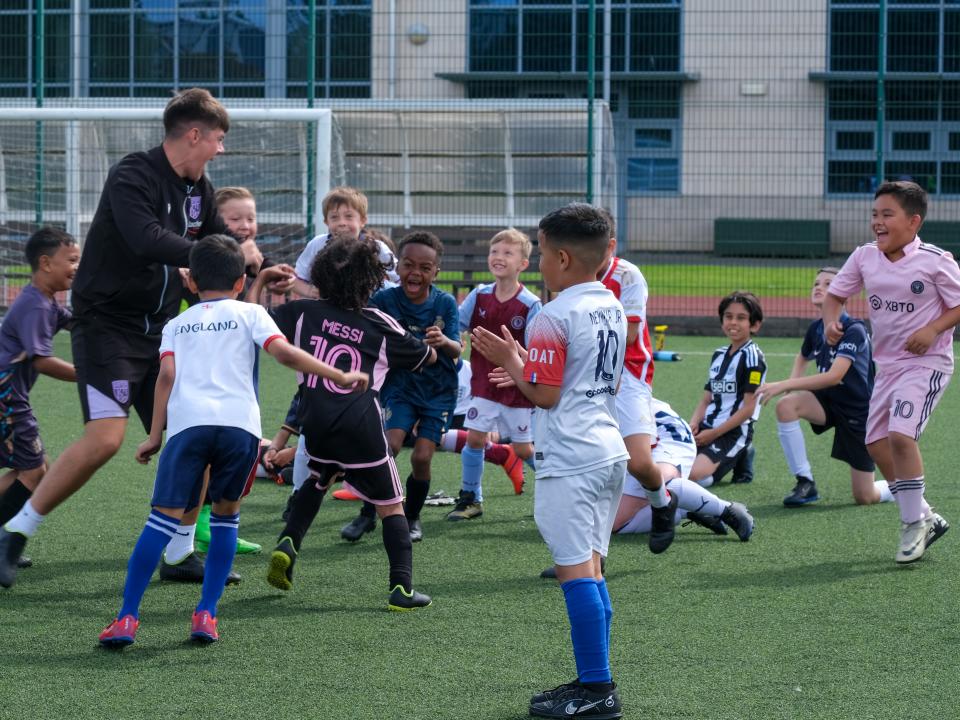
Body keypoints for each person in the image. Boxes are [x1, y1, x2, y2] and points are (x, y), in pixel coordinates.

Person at [0, 88, 267, 587]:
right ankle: (15, 531)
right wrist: (217, 253)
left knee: (195, 431)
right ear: (194, 134)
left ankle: (179, 554)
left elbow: (217, 251)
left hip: (162, 332)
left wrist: (253, 263)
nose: (220, 150)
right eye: (218, 139)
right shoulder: (133, 174)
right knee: (106, 438)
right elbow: (147, 239)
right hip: (108, 329)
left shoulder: (201, 191)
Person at [97, 235, 366, 647]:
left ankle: (127, 619)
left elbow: (165, 378)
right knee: (226, 518)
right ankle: (206, 614)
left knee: (160, 521)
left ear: (190, 282)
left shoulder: (176, 325)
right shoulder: (251, 314)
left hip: (188, 429)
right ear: (241, 281)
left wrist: (154, 435)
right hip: (239, 430)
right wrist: (340, 375)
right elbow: (285, 354)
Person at [472, 203, 627, 719]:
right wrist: (522, 365)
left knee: (576, 571)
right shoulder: (609, 304)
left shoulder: (553, 315)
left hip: (571, 456)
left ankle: (598, 691)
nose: (537, 261)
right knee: (593, 570)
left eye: (538, 251)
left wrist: (511, 360)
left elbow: (545, 395)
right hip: (608, 450)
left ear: (561, 257)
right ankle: (592, 681)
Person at [261, 235, 434, 610]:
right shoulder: (378, 323)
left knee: (317, 478)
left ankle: (289, 542)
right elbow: (423, 357)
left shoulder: (302, 312)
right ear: (371, 281)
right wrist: (435, 348)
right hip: (361, 426)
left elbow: (260, 322)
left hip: (316, 423)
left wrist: (261, 284)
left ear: (321, 276)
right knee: (392, 506)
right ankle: (401, 588)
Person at [822, 180, 960, 564]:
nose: (877, 223)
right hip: (888, 368)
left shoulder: (936, 261)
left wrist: (933, 329)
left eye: (887, 215)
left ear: (913, 222)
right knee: (875, 444)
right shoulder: (865, 256)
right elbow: (836, 294)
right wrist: (832, 319)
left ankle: (912, 524)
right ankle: (926, 516)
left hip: (927, 364)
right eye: (874, 215)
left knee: (901, 436)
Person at [340, 231, 460, 544]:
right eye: (408, 265)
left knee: (421, 458)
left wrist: (443, 341)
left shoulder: (445, 303)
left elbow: (458, 349)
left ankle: (413, 516)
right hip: (400, 384)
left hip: (438, 390)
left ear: (436, 272)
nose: (415, 273)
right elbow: (362, 330)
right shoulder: (384, 300)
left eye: (424, 267)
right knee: (388, 446)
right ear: (398, 268)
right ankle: (367, 514)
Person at [758, 267, 892, 507]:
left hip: (857, 411)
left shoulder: (854, 330)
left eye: (829, 284)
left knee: (864, 496)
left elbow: (834, 376)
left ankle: (901, 484)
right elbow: (803, 356)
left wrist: (784, 384)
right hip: (827, 401)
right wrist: (792, 387)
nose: (819, 287)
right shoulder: (816, 328)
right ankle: (805, 482)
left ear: (843, 293)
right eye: (816, 283)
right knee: (786, 406)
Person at [596, 217, 677, 554]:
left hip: (628, 374)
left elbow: (628, 336)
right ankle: (586, 559)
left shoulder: (627, 275)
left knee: (638, 463)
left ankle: (663, 503)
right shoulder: (568, 274)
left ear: (610, 246)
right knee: (594, 467)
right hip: (589, 373)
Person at [0, 229, 79, 573]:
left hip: (8, 395)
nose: (77, 267)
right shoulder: (34, 304)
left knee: (31, 468)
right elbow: (41, 360)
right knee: (33, 470)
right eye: (72, 260)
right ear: (46, 263)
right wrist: (87, 373)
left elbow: (78, 322)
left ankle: (6, 540)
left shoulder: (46, 299)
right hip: (7, 396)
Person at [450, 228, 541, 518]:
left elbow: (536, 352)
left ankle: (563, 485)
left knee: (524, 450)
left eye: (507, 253)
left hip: (517, 390)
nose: (499, 257)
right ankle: (471, 499)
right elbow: (458, 324)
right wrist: (456, 338)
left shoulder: (530, 304)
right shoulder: (479, 295)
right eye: (494, 251)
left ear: (522, 264)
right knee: (475, 439)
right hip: (485, 385)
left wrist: (519, 368)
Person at [611, 398, 754, 541]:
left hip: (667, 436)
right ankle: (687, 509)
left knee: (656, 479)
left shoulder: (619, 395)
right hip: (641, 438)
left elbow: (642, 445)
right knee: (614, 523)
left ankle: (727, 510)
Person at [689, 292, 767, 488]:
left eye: (741, 318)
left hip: (732, 433)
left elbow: (749, 409)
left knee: (692, 476)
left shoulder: (752, 358)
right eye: (728, 316)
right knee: (671, 464)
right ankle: (741, 455)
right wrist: (693, 425)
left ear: (754, 325)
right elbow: (706, 399)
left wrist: (714, 434)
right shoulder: (719, 354)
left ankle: (742, 451)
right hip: (707, 428)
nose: (733, 322)